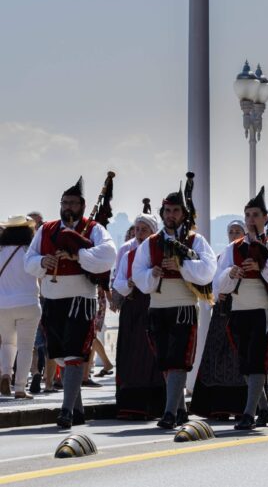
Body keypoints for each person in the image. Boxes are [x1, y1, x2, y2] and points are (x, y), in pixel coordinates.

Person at [23, 177, 117, 428]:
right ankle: (77, 410)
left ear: (82, 205)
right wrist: (43, 262)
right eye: (65, 202)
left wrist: (79, 255)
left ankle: (65, 411)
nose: (68, 207)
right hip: (52, 300)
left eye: (73, 203)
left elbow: (109, 254)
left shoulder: (93, 228)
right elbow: (28, 261)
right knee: (61, 355)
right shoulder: (46, 229)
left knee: (75, 353)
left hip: (80, 299)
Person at [213, 187, 268, 430]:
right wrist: (232, 273)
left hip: (262, 311)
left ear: (265, 218)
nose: (251, 220)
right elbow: (217, 282)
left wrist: (264, 266)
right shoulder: (233, 248)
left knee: (257, 362)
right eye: (247, 215)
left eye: (255, 215)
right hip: (239, 311)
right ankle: (261, 408)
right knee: (246, 364)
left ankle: (249, 413)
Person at [133, 187, 217, 428]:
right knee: (164, 359)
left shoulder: (195, 240)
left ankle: (169, 413)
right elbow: (139, 274)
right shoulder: (150, 243)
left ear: (183, 213)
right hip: (158, 307)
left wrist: (181, 266)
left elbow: (207, 270)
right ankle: (179, 410)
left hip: (183, 306)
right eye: (168, 211)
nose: (171, 215)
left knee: (178, 359)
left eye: (176, 211)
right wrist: (153, 273)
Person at [110, 207, 165, 419]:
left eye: (144, 230)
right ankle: (132, 406)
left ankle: (155, 406)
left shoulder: (160, 254)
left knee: (153, 357)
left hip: (153, 308)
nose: (140, 234)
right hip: (133, 310)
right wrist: (130, 283)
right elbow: (119, 283)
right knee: (131, 357)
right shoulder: (129, 255)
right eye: (137, 230)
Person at [189, 220, 248, 419]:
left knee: (241, 359)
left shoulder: (250, 254)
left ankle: (242, 407)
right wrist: (217, 293)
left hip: (242, 311)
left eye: (238, 231)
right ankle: (217, 407)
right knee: (216, 358)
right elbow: (210, 284)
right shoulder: (221, 257)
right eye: (231, 231)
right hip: (222, 314)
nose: (234, 234)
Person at [0, 216, 40, 399]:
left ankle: (6, 374)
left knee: (8, 342)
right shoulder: (30, 252)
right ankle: (20, 388)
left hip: (3, 305)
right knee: (25, 346)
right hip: (28, 303)